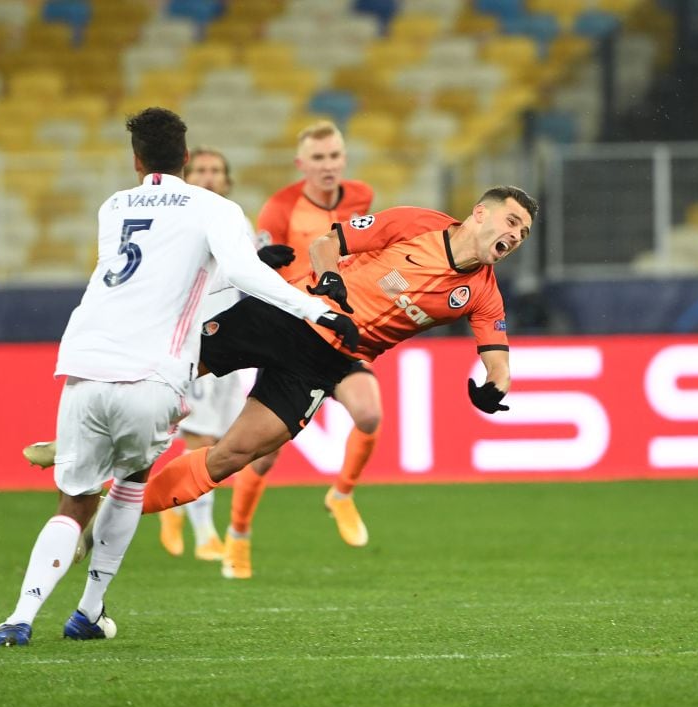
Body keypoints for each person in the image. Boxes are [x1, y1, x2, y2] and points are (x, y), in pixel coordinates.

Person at [0, 107, 356, 647]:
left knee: (73, 501)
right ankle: (89, 611)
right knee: (130, 482)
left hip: (82, 366)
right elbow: (234, 275)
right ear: (187, 159)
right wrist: (315, 309)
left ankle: (19, 619)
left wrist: (254, 258)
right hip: (152, 375)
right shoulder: (213, 206)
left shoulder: (113, 206)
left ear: (137, 159)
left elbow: (147, 277)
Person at [137, 186, 536, 530]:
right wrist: (330, 278)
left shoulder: (483, 294)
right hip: (291, 313)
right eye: (512, 221)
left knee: (234, 456)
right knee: (170, 369)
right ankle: (94, 447)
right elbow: (326, 244)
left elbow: (498, 362)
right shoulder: (416, 224)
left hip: (324, 364)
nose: (516, 235)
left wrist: (493, 388)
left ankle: (119, 511)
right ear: (480, 213)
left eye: (524, 232)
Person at [222, 120, 376, 580]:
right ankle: (239, 533)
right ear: (301, 164)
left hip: (341, 331)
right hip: (293, 334)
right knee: (263, 454)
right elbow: (261, 272)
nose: (328, 166)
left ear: (343, 159)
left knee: (369, 414)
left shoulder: (362, 197)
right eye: (319, 158)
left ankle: (342, 494)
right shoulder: (280, 208)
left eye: (334, 156)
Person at [155, 147, 260, 563]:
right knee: (197, 436)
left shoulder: (238, 221)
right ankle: (203, 533)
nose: (209, 176)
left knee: (217, 439)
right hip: (189, 338)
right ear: (186, 174)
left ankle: (174, 508)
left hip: (229, 340)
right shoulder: (173, 221)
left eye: (216, 170)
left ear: (227, 179)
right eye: (200, 169)